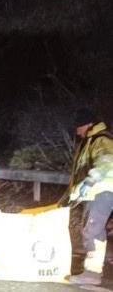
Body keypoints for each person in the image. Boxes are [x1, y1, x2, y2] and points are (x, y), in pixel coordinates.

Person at [67, 107, 113, 285]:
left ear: (86, 125)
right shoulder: (91, 140)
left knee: (93, 229)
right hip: (99, 190)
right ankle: (92, 270)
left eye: (77, 127)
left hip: (102, 190)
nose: (76, 131)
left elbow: (107, 161)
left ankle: (92, 273)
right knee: (92, 228)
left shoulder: (100, 140)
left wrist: (90, 181)